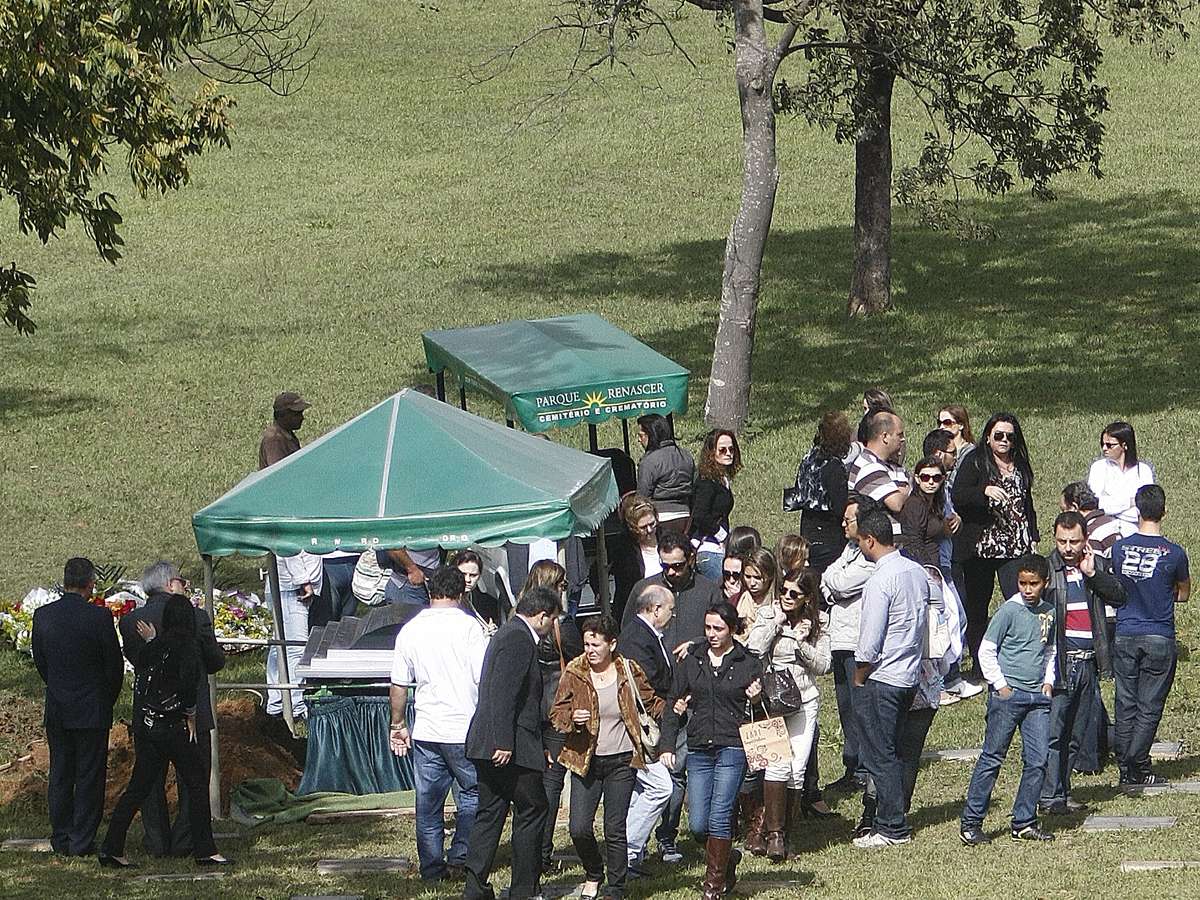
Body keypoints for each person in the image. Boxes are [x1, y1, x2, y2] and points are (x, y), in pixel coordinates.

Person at [99, 594, 231, 868]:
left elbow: (145, 663)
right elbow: (188, 686)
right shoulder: (189, 647)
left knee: (137, 789)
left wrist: (151, 640)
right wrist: (191, 715)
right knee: (196, 785)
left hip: (150, 727)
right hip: (175, 728)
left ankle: (111, 847)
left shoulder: (155, 645)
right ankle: (205, 849)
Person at [551, 615, 664, 900]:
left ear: (612, 644)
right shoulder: (575, 671)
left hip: (622, 760)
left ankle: (616, 887)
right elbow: (556, 713)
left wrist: (675, 710)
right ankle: (593, 872)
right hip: (585, 760)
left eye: (596, 645)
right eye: (586, 644)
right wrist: (572, 719)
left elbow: (650, 701)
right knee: (579, 828)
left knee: (614, 828)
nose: (589, 650)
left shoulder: (628, 669)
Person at [389, 567, 488, 882]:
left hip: (427, 729)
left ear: (430, 592)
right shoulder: (470, 628)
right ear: (461, 593)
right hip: (464, 727)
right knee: (473, 796)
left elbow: (398, 684)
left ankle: (431, 868)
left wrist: (397, 724)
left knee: (428, 804)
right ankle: (460, 856)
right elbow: (482, 679)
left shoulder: (411, 629)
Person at [463, 585, 562, 900]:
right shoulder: (519, 638)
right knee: (534, 808)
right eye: (553, 620)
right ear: (542, 616)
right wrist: (503, 742)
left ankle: (476, 887)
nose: (553, 627)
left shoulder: (508, 633)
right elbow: (503, 693)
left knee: (491, 812)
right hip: (510, 746)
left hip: (495, 742)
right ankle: (524, 888)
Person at [660, 602, 763, 899]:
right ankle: (727, 858)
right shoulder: (692, 659)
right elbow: (673, 701)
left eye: (719, 628)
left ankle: (713, 887)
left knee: (720, 815)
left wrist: (757, 699)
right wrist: (667, 744)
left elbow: (763, 709)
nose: (712, 634)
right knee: (698, 824)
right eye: (707, 628)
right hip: (699, 745)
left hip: (732, 745)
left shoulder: (747, 662)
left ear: (732, 629)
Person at [959, 554, 1057, 846]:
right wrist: (1001, 686)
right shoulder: (1008, 611)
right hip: (1009, 696)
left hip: (1037, 697)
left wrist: (1048, 681)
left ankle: (1024, 821)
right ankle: (971, 822)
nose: (1027, 589)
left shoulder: (1049, 612)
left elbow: (1049, 649)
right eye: (1023, 583)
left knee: (1038, 759)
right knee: (992, 757)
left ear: (1045, 583)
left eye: (1033, 584)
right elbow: (986, 650)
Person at [32, 558, 124, 857]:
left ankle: (61, 837)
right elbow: (113, 666)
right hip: (92, 708)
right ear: (91, 583)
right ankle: (82, 839)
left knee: (60, 773)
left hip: (59, 707)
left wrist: (57, 687)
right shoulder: (99, 617)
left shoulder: (43, 616)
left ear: (65, 581)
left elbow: (41, 660)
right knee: (89, 777)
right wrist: (106, 698)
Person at [1038, 512, 1126, 816]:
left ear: (1085, 539)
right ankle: (1049, 795)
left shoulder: (1095, 564)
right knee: (1055, 733)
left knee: (1077, 734)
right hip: (1061, 662)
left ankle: (1062, 791)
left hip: (1089, 662)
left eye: (1074, 541)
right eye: (1061, 541)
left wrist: (1092, 574)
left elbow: (1119, 596)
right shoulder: (1047, 569)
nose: (1067, 548)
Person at [851, 507, 929, 849]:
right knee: (893, 751)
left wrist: (858, 677)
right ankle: (890, 820)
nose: (859, 547)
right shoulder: (916, 571)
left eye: (859, 541)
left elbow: (870, 641)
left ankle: (892, 826)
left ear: (870, 540)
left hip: (882, 678)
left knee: (879, 755)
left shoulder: (880, 580)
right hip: (909, 675)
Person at [746, 568, 830, 862]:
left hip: (804, 700)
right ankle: (774, 836)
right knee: (775, 766)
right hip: (772, 702)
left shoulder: (819, 621)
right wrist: (777, 624)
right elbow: (753, 649)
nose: (787, 597)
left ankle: (785, 836)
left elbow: (824, 665)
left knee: (797, 769)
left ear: (807, 597)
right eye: (783, 591)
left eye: (794, 593)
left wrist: (801, 643)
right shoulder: (769, 614)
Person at [1111, 485, 1190, 787]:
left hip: (1125, 632)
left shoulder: (1119, 549)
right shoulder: (1175, 553)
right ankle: (1138, 764)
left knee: (1125, 702)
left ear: (1137, 510)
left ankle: (1125, 765)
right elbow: (1183, 594)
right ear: (1164, 511)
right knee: (1150, 705)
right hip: (1159, 634)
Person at [952, 412, 1038, 674]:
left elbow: (1026, 502)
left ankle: (1019, 659)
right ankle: (981, 665)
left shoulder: (1019, 464)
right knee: (977, 607)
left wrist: (1033, 534)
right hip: (981, 547)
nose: (1004, 440)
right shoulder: (976, 461)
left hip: (1015, 546)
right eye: (998, 435)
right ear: (988, 437)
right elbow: (958, 495)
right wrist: (984, 491)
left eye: (1009, 436)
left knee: (1020, 601)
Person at [526, 562, 584, 875]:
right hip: (557, 708)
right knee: (551, 782)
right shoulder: (562, 624)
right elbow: (580, 665)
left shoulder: (519, 618)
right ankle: (542, 854)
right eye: (562, 584)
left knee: (532, 781)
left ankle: (532, 851)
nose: (566, 589)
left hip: (530, 709)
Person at [618, 585, 678, 873]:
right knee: (660, 787)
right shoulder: (636, 638)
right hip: (638, 728)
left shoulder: (647, 635)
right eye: (670, 610)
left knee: (640, 792)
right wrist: (670, 707)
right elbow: (645, 686)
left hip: (646, 725)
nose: (672, 615)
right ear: (655, 609)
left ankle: (631, 853)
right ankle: (625, 851)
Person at [820, 495, 876, 793]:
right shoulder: (849, 549)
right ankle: (852, 765)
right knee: (845, 708)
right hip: (838, 640)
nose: (843, 524)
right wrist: (835, 585)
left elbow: (839, 583)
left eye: (848, 519)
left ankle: (865, 767)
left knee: (860, 707)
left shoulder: (871, 556)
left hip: (857, 641)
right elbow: (827, 581)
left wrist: (835, 585)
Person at [789, 411, 852, 572]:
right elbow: (840, 506)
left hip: (807, 526)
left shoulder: (808, 458)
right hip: (829, 534)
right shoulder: (834, 466)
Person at [267, 550, 322, 719]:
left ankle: (277, 702)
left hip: (288, 587)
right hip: (290, 588)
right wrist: (303, 581)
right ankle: (294, 705)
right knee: (296, 647)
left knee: (280, 646)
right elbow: (289, 548)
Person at [847, 410, 911, 538]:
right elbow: (896, 503)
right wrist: (909, 489)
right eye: (899, 434)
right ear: (885, 437)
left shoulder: (892, 466)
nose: (903, 439)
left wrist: (903, 492)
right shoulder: (868, 466)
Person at [691, 429, 743, 582]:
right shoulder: (706, 481)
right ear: (711, 452)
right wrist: (722, 535)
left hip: (718, 548)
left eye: (731, 449)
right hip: (708, 549)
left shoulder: (722, 478)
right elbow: (700, 515)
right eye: (722, 450)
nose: (728, 454)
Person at [1088, 421, 1155, 537]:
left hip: (1134, 531)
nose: (1104, 448)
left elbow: (1145, 508)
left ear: (1124, 445)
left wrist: (1112, 507)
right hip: (1103, 530)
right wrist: (1130, 502)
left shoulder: (1143, 471)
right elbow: (1096, 505)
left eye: (1109, 445)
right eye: (1102, 444)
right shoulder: (1098, 468)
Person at [635, 414, 695, 532]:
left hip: (660, 518)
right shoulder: (686, 456)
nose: (639, 440)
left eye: (641, 435)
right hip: (686, 517)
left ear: (651, 435)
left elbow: (643, 496)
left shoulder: (649, 461)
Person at [608, 495, 663, 622]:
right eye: (643, 527)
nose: (649, 530)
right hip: (635, 612)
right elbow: (598, 570)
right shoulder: (622, 547)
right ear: (632, 527)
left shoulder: (667, 538)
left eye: (652, 524)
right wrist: (600, 593)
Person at [898, 456, 951, 568]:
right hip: (922, 567)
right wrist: (929, 570)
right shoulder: (915, 504)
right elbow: (913, 543)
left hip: (936, 563)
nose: (931, 482)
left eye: (936, 478)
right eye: (925, 477)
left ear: (943, 479)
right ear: (917, 479)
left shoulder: (937, 502)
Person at [1061, 482, 1122, 559]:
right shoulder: (1111, 521)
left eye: (1064, 510)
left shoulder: (1090, 534)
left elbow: (1094, 564)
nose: (1062, 516)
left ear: (1074, 507)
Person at [450, 549, 502, 637]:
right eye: (463, 574)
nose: (468, 580)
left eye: (473, 575)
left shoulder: (468, 597)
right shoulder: (450, 602)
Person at [258, 390, 309, 469]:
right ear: (282, 415)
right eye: (297, 414)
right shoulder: (274, 440)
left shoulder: (287, 434)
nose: (302, 418)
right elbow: (278, 472)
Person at [735, 547, 777, 637]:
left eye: (757, 578)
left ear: (770, 576)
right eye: (748, 577)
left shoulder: (779, 604)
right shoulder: (736, 600)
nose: (752, 583)